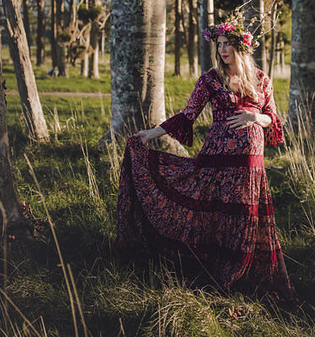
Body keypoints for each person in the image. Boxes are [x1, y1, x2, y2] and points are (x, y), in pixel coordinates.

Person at [115, 18, 294, 299]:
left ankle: (245, 274)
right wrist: (151, 133)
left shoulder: (261, 79)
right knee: (214, 215)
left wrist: (253, 117)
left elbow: (272, 119)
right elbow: (188, 115)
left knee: (247, 215)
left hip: (251, 164)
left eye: (227, 44)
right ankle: (215, 269)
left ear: (241, 47)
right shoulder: (210, 80)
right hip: (217, 160)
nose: (222, 50)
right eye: (219, 45)